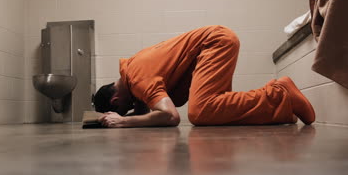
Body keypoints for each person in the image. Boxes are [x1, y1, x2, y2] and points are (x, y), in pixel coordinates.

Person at [94, 25, 315, 128]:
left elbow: (170, 116)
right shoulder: (132, 72)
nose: (131, 107)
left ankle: (280, 95)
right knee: (214, 108)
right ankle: (282, 107)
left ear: (115, 101)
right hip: (215, 41)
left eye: (124, 107)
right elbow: (144, 107)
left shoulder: (138, 79)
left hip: (214, 43)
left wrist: (124, 121)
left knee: (201, 112)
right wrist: (131, 114)